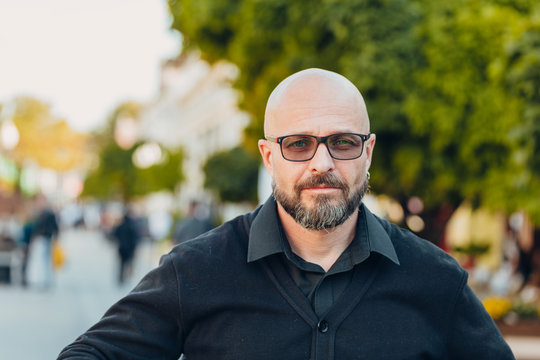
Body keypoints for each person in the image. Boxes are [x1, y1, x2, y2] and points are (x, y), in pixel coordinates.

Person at [58, 69, 515, 359]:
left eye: (343, 142)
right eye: (298, 143)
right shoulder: (197, 270)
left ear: (368, 151)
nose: (322, 163)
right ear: (268, 156)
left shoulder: (434, 279)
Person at [112, 209, 140, 285]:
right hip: (130, 249)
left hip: (121, 248)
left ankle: (120, 278)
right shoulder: (132, 227)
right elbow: (136, 238)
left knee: (121, 264)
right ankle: (126, 278)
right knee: (129, 263)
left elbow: (114, 235)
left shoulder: (120, 226)